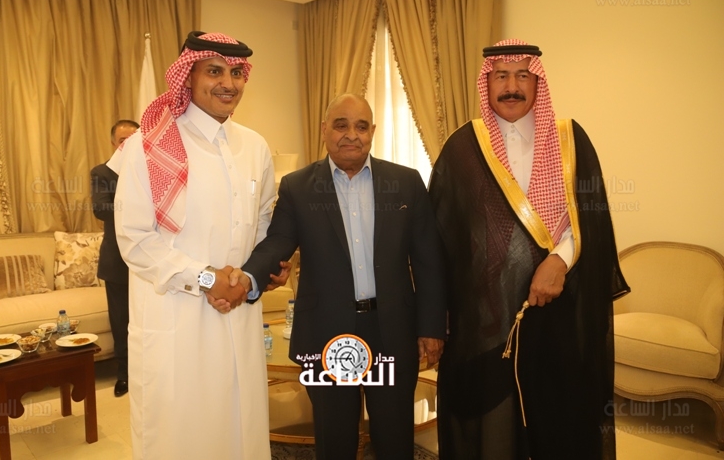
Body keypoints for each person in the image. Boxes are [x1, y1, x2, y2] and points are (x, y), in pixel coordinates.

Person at [429, 39, 631, 460]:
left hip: (559, 310)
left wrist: (559, 259)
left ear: (538, 82)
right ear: (487, 83)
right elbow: (440, 236)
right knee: (495, 424)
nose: (512, 87)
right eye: (501, 76)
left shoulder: (570, 140)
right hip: (486, 319)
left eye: (523, 75)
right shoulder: (462, 148)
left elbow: (591, 218)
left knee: (559, 416)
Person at [234, 93, 447, 460]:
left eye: (361, 126)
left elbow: (429, 260)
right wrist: (247, 278)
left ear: (373, 131)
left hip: (392, 332)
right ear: (324, 130)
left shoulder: (406, 182)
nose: (351, 134)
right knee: (335, 440)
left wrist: (431, 327)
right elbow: (278, 242)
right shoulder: (298, 187)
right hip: (326, 333)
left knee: (394, 437)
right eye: (341, 125)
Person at [114, 31, 286, 460]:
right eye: (214, 71)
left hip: (239, 315)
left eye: (237, 73)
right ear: (187, 76)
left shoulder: (255, 146)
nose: (228, 83)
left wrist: (260, 271)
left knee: (240, 428)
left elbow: (265, 223)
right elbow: (135, 240)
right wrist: (207, 279)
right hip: (177, 318)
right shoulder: (146, 146)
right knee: (182, 436)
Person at [91, 119, 139, 398]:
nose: (128, 144)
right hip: (117, 262)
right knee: (121, 323)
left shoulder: (151, 170)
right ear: (114, 143)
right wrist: (138, 207)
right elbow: (100, 208)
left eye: (133, 139)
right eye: (123, 140)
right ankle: (124, 375)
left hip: (150, 262)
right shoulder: (103, 172)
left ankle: (150, 371)